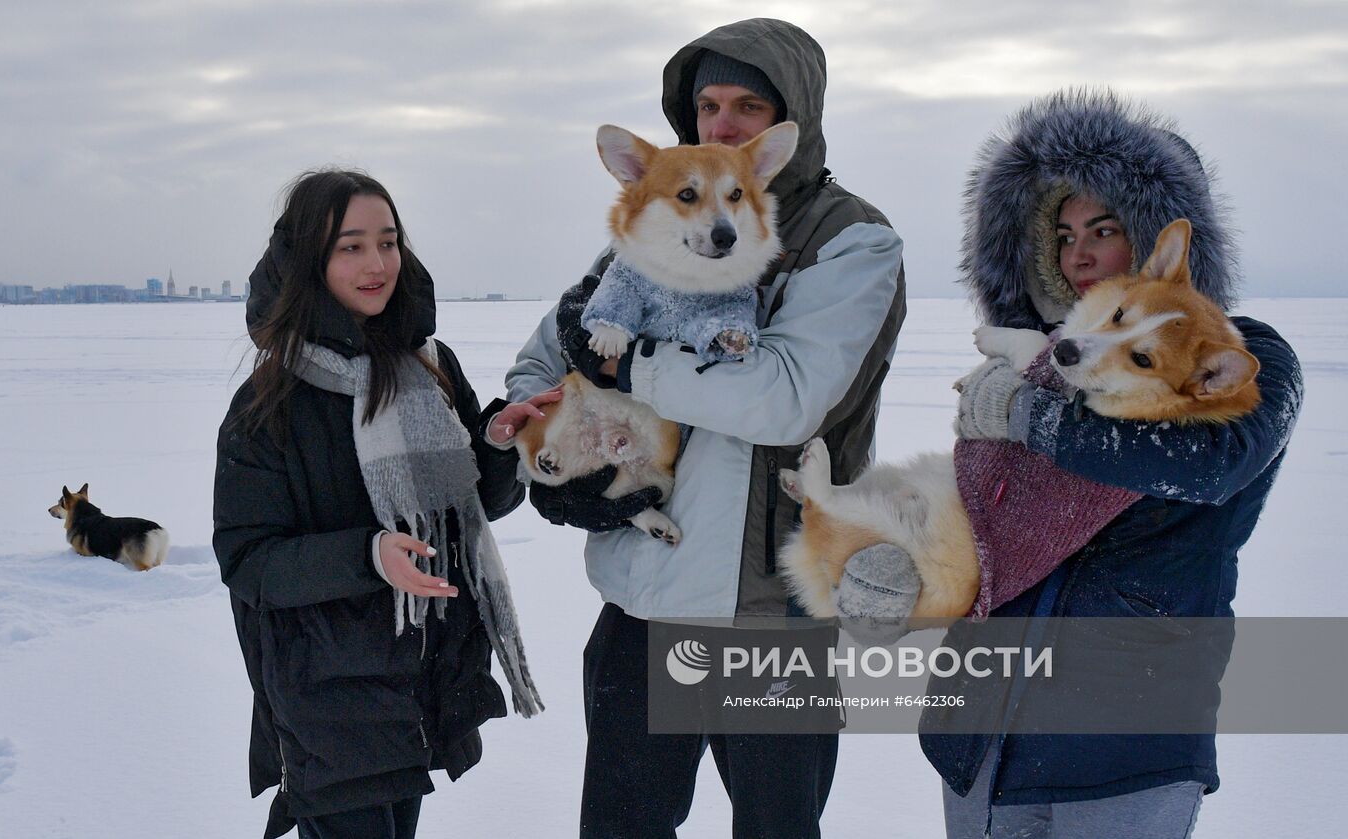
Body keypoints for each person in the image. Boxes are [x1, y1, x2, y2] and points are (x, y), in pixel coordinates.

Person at [839, 90, 1302, 836]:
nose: (1077, 253)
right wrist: (905, 575)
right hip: (981, 741)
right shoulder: (1043, 365)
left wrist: (1031, 418)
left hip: (1126, 743)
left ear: (1159, 238)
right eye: (1061, 233)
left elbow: (1209, 461)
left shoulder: (1246, 357)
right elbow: (981, 518)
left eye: (1104, 229)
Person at [501, 18, 906, 839]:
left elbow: (785, 396)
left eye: (748, 107)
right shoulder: (653, 222)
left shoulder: (851, 240)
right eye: (708, 105)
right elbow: (541, 363)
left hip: (771, 611)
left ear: (792, 120)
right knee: (619, 828)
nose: (721, 127)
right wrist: (546, 454)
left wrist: (628, 368)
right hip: (643, 598)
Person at [213, 169, 549, 839]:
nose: (377, 264)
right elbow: (250, 562)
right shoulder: (269, 404)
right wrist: (369, 557)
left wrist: (501, 444)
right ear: (310, 259)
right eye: (351, 246)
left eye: (388, 242)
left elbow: (468, 509)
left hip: (418, 683)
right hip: (327, 701)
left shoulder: (428, 366)